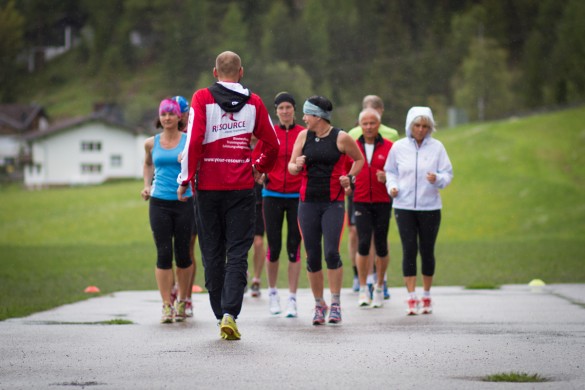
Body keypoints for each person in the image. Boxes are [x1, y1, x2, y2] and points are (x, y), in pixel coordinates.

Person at [177, 51, 279, 340]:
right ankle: (230, 314)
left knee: (211, 252)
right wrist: (259, 167)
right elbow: (271, 143)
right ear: (241, 72)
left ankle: (219, 312)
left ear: (214, 72)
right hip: (241, 189)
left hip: (208, 189)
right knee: (236, 253)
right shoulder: (255, 102)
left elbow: (194, 139)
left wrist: (184, 179)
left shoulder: (201, 98)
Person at [288, 95, 364, 325]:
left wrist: (349, 177)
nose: (303, 118)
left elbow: (358, 160)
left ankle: (336, 303)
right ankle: (319, 304)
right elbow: (291, 167)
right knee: (312, 256)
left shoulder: (341, 138)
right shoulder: (303, 136)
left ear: (318, 116)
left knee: (331, 252)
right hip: (307, 203)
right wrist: (296, 165)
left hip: (333, 203)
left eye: (306, 114)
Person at [384, 106, 453, 315]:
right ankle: (411, 297)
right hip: (403, 206)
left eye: (425, 126)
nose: (421, 130)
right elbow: (390, 171)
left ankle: (427, 294)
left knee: (427, 250)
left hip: (430, 206)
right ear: (410, 126)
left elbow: (448, 174)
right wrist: (391, 187)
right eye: (417, 125)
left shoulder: (437, 148)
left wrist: (438, 179)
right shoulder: (398, 147)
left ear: (430, 127)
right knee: (409, 250)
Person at [141, 98, 194, 323]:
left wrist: (188, 161)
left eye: (172, 114)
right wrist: (146, 185)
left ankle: (182, 301)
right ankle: (166, 305)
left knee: (183, 254)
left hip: (184, 201)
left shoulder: (188, 141)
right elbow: (147, 164)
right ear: (159, 117)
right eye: (164, 114)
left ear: (179, 117)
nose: (167, 118)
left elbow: (197, 165)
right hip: (159, 202)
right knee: (163, 254)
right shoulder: (151, 143)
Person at [347, 95, 399, 298]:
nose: (368, 127)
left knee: (380, 240)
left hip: (382, 194)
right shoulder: (352, 136)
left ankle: (380, 279)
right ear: (360, 123)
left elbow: (396, 165)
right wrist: (347, 182)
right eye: (364, 123)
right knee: (360, 237)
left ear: (380, 117)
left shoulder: (391, 137)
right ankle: (362, 281)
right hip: (359, 195)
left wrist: (389, 178)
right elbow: (345, 165)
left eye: (372, 122)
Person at [260, 92, 304, 317]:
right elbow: (257, 158)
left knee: (294, 247)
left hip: (297, 196)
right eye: (281, 108)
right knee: (274, 246)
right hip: (272, 194)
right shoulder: (271, 133)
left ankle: (293, 298)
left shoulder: (303, 134)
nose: (285, 111)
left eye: (288, 107)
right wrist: (260, 174)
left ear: (294, 110)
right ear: (275, 111)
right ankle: (273, 293)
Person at [170, 95, 197, 318]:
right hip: (169, 195)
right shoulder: (167, 136)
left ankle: (186, 296)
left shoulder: (192, 132)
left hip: (193, 195)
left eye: (185, 112)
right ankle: (173, 290)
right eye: (181, 113)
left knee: (188, 248)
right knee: (169, 249)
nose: (183, 116)